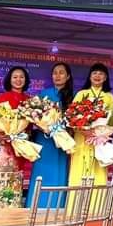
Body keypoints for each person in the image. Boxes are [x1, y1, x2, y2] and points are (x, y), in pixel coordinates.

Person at [28, 62, 74, 208]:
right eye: (55, 73)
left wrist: (62, 130)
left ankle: (55, 207)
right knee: (41, 173)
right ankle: (35, 207)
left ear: (68, 76)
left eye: (61, 73)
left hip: (62, 143)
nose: (58, 76)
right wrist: (44, 127)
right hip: (45, 140)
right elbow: (34, 116)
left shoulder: (73, 97)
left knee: (58, 173)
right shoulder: (44, 94)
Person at [0, 66, 30, 209]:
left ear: (26, 80)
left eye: (21, 77)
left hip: (19, 147)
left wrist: (22, 134)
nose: (18, 80)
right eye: (15, 77)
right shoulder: (2, 98)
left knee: (15, 181)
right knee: (0, 180)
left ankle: (13, 211)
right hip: (3, 147)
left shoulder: (29, 101)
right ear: (9, 80)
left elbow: (31, 126)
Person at [68, 63, 113, 188]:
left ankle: (97, 200)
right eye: (94, 73)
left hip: (100, 140)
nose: (97, 76)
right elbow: (71, 116)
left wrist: (100, 133)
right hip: (82, 138)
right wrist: (85, 131)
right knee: (79, 169)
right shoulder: (81, 94)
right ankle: (76, 199)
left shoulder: (109, 97)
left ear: (105, 78)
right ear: (90, 76)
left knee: (98, 170)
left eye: (101, 74)